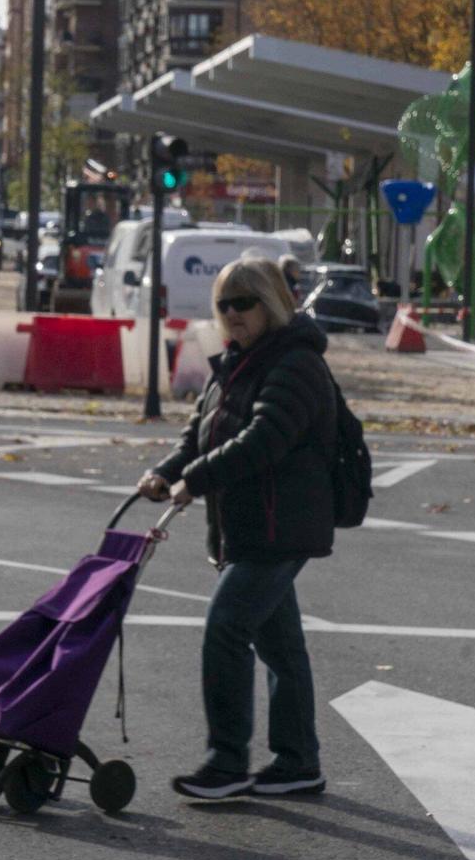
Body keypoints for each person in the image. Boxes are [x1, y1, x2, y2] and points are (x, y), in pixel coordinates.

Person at [138, 257, 337, 802]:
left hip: (281, 525)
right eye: (223, 304)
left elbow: (264, 439)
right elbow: (200, 434)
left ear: (271, 303)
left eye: (243, 302)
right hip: (251, 527)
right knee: (281, 647)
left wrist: (195, 480)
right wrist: (166, 472)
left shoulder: (295, 364)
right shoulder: (238, 362)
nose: (231, 314)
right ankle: (298, 761)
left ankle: (227, 762)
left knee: (226, 627)